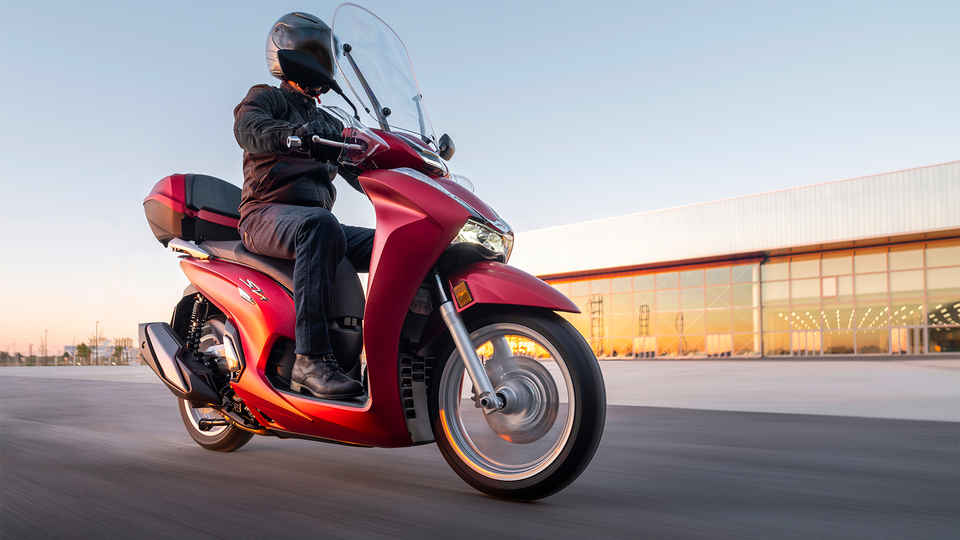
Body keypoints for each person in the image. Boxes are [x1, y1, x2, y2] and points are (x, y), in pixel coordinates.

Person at [233, 12, 370, 398]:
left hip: (312, 222)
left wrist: (397, 164)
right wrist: (295, 136)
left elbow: (359, 168)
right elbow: (250, 130)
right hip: (263, 215)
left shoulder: (327, 121)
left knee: (396, 242)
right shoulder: (266, 97)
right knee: (320, 226)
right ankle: (309, 359)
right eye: (314, 52)